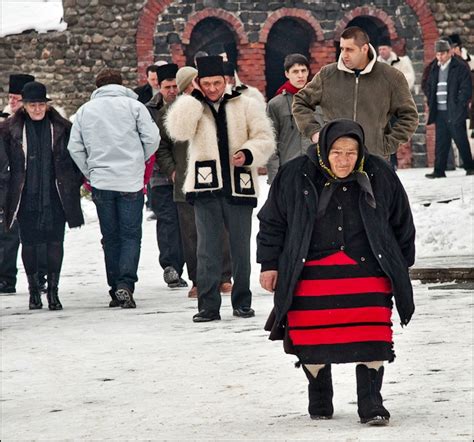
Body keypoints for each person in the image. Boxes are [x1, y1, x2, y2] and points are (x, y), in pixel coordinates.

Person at [257, 119, 416, 425]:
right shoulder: (295, 174)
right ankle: (319, 391)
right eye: (337, 153)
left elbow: (401, 222)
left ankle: (371, 402)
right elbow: (272, 222)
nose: (344, 160)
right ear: (324, 150)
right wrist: (269, 264)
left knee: (374, 336)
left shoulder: (380, 173)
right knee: (311, 340)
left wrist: (400, 266)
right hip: (310, 271)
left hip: (367, 269)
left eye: (351, 153)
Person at [166, 55, 275, 322]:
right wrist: (191, 100)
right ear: (198, 82)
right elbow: (178, 131)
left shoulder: (246, 103)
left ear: (225, 80)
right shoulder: (193, 105)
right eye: (207, 83)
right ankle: (208, 306)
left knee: (240, 248)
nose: (213, 88)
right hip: (205, 187)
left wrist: (247, 154)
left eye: (217, 82)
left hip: (240, 185)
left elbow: (265, 138)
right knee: (207, 249)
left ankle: (242, 302)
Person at [67, 68, 160, 308]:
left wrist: (90, 171)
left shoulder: (85, 111)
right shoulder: (135, 107)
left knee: (110, 237)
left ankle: (114, 287)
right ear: (121, 84)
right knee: (131, 235)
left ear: (98, 87)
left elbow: (74, 147)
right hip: (130, 180)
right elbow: (153, 138)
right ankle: (125, 284)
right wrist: (138, 161)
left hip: (102, 181)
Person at [2, 81, 84, 310]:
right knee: (29, 243)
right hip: (26, 194)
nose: (37, 109)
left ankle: (54, 291)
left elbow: (74, 159)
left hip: (55, 194)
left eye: (41, 105)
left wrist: (71, 182)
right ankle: (33, 290)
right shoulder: (10, 130)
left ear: (47, 105)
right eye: (32, 105)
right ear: (24, 106)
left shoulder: (61, 127)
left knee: (55, 242)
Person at [157, 65, 233, 298]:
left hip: (215, 178)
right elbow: (162, 146)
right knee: (191, 234)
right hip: (185, 180)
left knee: (221, 229)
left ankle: (224, 276)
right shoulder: (172, 110)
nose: (193, 88)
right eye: (188, 85)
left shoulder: (214, 107)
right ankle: (198, 279)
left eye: (194, 83)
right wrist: (172, 170)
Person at [293, 26, 418, 160]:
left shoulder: (391, 77)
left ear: (364, 49)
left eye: (350, 49)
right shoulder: (328, 75)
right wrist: (314, 133)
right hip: (336, 161)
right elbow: (300, 102)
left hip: (374, 160)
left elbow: (409, 116)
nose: (344, 54)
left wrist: (387, 145)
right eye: (342, 48)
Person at [146, 63, 187, 289]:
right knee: (167, 220)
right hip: (160, 177)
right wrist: (168, 169)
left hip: (186, 174)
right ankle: (171, 266)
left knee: (187, 222)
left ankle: (190, 265)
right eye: (167, 86)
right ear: (158, 86)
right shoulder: (149, 109)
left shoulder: (187, 106)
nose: (172, 91)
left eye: (175, 86)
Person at [0, 74, 34, 294]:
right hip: (8, 184)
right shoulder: (4, 121)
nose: (12, 101)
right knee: (8, 233)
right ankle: (6, 278)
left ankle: (39, 277)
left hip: (33, 183)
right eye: (10, 97)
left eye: (17, 98)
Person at [424, 40, 473, 178]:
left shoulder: (460, 66)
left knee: (461, 139)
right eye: (438, 54)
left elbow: (466, 88)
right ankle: (439, 170)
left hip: (455, 110)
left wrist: (460, 105)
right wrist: (430, 99)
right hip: (439, 111)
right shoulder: (434, 67)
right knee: (441, 142)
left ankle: (470, 167)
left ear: (449, 52)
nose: (440, 57)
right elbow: (428, 85)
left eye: (442, 54)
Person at [266, 54, 312, 184]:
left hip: (316, 171)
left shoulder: (319, 101)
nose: (300, 75)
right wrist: (274, 178)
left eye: (303, 71)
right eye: (295, 71)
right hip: (289, 172)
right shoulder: (276, 104)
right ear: (287, 74)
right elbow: (271, 142)